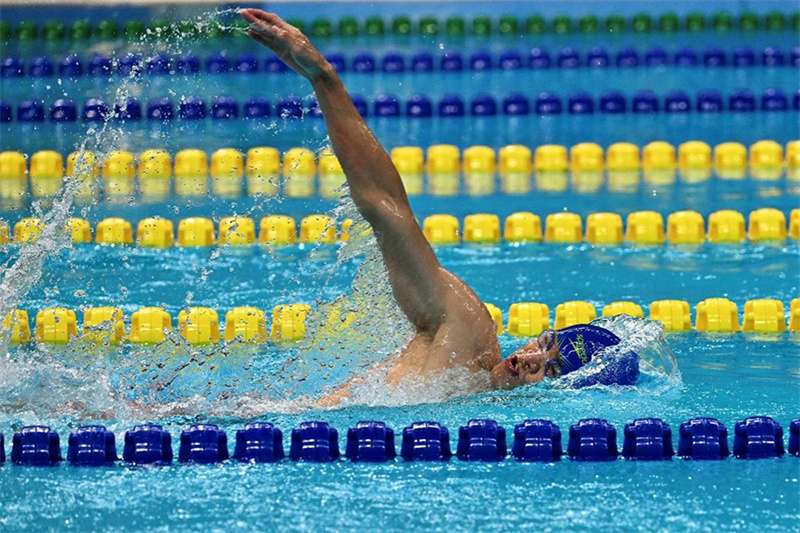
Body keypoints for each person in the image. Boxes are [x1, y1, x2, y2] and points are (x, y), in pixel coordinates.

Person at [241, 10, 637, 405]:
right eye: (546, 343)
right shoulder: (467, 335)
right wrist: (324, 78)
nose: (531, 357)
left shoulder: (481, 405)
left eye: (550, 370)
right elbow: (385, 206)